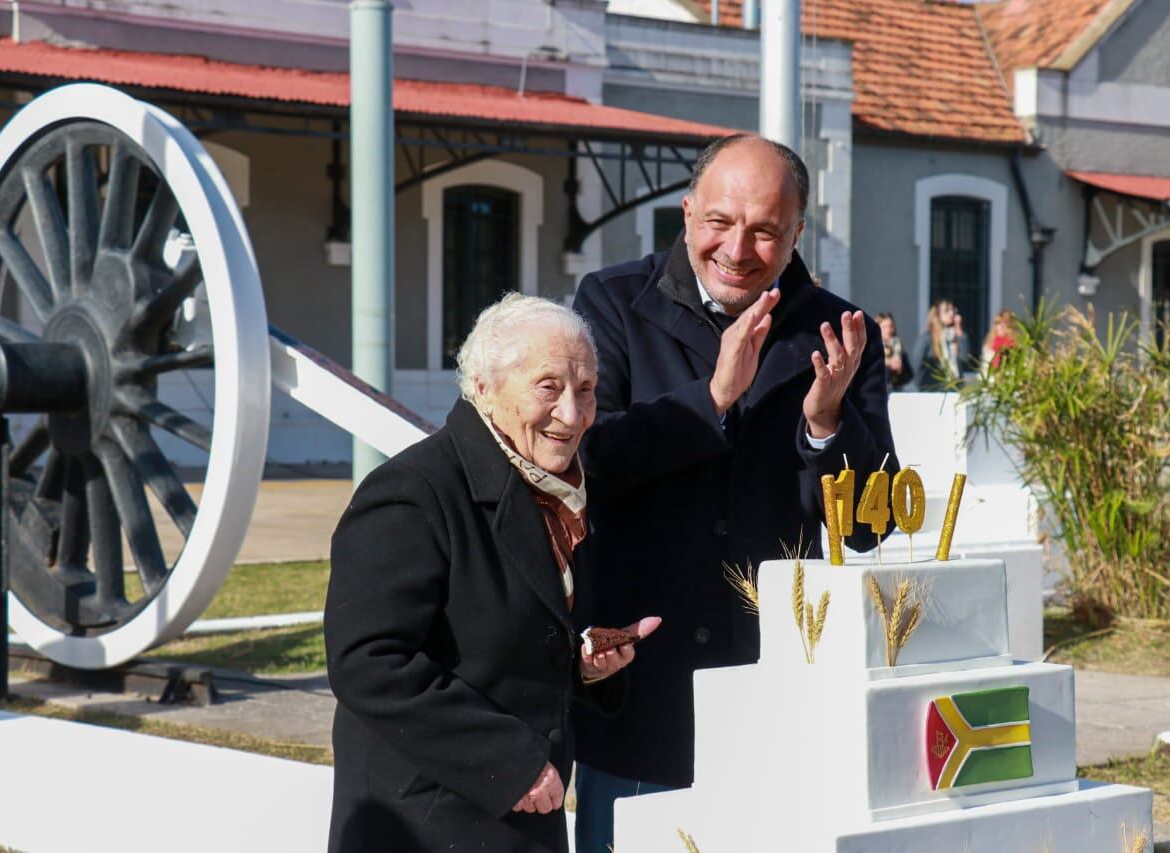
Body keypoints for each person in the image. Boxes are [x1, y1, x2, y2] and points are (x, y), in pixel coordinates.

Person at [570, 134, 898, 851]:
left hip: (773, 684)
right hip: (641, 684)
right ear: (687, 213)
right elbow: (590, 460)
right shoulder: (612, 303)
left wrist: (826, 423)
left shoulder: (842, 332)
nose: (738, 247)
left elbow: (873, 524)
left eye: (765, 230)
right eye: (720, 221)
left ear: (797, 235)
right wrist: (712, 397)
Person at [325, 293, 660, 853]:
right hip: (425, 825)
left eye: (585, 390)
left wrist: (588, 666)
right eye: (548, 387)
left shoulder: (556, 492)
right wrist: (513, 764)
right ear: (483, 387)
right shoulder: (411, 494)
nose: (573, 415)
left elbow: (516, 638)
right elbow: (368, 662)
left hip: (515, 822)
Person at [912, 298, 969, 390]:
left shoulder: (954, 336)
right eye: (947, 310)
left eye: (953, 310)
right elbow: (916, 364)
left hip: (955, 387)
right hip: (933, 389)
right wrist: (922, 386)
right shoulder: (927, 337)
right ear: (937, 315)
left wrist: (960, 333)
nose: (952, 313)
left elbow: (965, 360)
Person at [876, 311, 914, 391]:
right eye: (884, 327)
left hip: (896, 391)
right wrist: (889, 365)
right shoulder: (873, 348)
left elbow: (909, 376)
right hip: (879, 392)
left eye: (891, 326)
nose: (889, 330)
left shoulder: (898, 347)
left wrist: (900, 369)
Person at [981, 309, 1017, 373]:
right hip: (991, 372)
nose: (1001, 327)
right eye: (999, 323)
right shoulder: (990, 339)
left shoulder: (1012, 341)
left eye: (1005, 324)